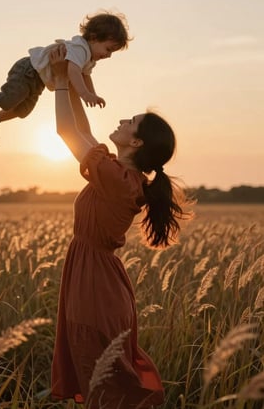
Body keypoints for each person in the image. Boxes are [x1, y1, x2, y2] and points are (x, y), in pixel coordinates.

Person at [48, 46, 192, 408]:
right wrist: (67, 78)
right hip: (97, 281)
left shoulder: (119, 180)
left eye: (131, 123)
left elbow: (66, 130)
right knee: (101, 382)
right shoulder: (122, 175)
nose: (123, 121)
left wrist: (64, 82)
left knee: (104, 388)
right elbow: (81, 129)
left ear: (136, 142)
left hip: (95, 288)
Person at [0, 11, 131, 143]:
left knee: (23, 110)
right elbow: (73, 71)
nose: (109, 56)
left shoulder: (88, 58)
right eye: (108, 49)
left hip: (39, 80)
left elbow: (85, 76)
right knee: (9, 99)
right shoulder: (81, 48)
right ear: (94, 37)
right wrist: (85, 94)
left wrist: (92, 94)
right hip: (29, 70)